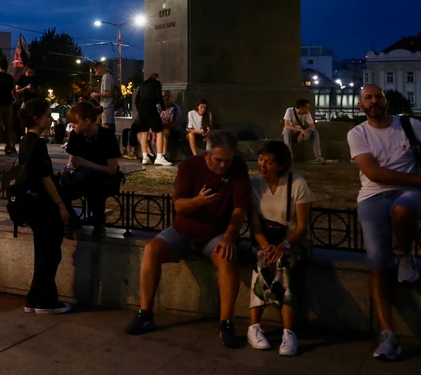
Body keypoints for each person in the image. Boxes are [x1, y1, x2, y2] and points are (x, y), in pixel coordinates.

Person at [126, 130, 250, 349]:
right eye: (219, 160)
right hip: (183, 231)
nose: (223, 166)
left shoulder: (238, 168)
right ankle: (145, 314)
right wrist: (200, 201)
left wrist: (230, 237)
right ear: (207, 155)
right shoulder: (189, 167)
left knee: (227, 258)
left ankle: (226, 323)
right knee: (152, 249)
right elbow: (179, 205)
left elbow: (240, 208)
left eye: (228, 161)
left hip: (216, 233)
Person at [347, 85, 421, 361]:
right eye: (368, 98)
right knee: (377, 263)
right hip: (373, 196)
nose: (373, 101)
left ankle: (402, 253)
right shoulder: (357, 133)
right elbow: (373, 173)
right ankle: (388, 335)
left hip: (408, 194)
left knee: (402, 210)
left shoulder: (408, 125)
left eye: (378, 97)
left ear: (385, 101)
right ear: (361, 106)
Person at [246, 140, 312, 357]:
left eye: (269, 161)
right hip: (265, 240)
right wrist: (267, 247)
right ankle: (255, 327)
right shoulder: (254, 184)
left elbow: (302, 227)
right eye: (260, 159)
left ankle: (287, 331)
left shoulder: (297, 184)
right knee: (264, 260)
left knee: (282, 263)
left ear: (281, 165)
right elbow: (255, 226)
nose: (262, 165)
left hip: (294, 242)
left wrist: (283, 246)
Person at [13, 98, 72, 314]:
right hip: (43, 204)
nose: (50, 119)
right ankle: (46, 300)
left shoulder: (26, 140)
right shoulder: (37, 143)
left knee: (43, 251)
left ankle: (34, 298)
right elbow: (45, 177)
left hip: (30, 202)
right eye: (47, 115)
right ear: (36, 119)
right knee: (50, 253)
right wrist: (60, 205)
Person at [60, 101, 121, 236]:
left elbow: (112, 169)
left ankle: (98, 222)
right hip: (82, 176)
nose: (73, 126)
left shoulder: (106, 136)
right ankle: (71, 220)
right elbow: (72, 160)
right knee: (60, 185)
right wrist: (68, 170)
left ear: (87, 121)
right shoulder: (76, 135)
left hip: (103, 177)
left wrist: (86, 163)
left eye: (75, 122)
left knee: (90, 180)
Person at [134, 73, 165, 165]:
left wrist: (139, 110)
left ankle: (145, 157)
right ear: (157, 78)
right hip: (150, 109)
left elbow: (136, 100)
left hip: (141, 110)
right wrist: (163, 109)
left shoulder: (142, 85)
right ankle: (159, 157)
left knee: (144, 132)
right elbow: (159, 96)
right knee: (160, 131)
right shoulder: (156, 83)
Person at [282, 99, 324, 164]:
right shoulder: (289, 110)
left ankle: (318, 157)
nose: (308, 109)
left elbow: (312, 126)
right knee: (286, 131)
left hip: (302, 133)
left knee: (315, 132)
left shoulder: (307, 113)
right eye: (307, 107)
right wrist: (300, 130)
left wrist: (302, 133)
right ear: (301, 108)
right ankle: (289, 156)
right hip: (292, 133)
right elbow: (287, 125)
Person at [155, 90, 182, 165]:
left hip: (172, 130)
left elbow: (174, 123)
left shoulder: (175, 108)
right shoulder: (158, 107)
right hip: (158, 128)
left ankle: (163, 155)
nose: (166, 98)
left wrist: (160, 127)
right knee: (141, 133)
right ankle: (149, 154)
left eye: (168, 96)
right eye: (164, 96)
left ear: (171, 98)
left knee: (162, 133)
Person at [91, 62, 115, 129]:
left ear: (100, 68)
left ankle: (105, 139)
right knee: (100, 124)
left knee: (105, 125)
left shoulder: (106, 78)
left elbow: (108, 93)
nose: (96, 73)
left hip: (107, 106)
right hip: (105, 105)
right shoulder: (106, 77)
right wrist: (99, 91)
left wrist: (96, 94)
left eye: (96, 70)